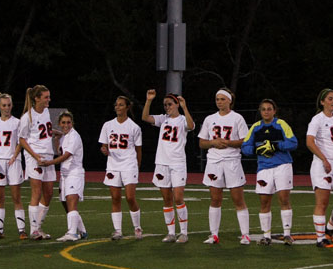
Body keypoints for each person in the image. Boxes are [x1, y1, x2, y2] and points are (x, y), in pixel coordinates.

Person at [241, 99, 298, 245]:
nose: (266, 111)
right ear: (260, 111)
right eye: (263, 109)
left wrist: (275, 146)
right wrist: (257, 149)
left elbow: (293, 142)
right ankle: (266, 236)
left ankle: (287, 234)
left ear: (274, 110)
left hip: (282, 166)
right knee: (264, 202)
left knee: (284, 199)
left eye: (269, 109)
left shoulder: (281, 124)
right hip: (264, 168)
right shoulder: (255, 127)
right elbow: (245, 147)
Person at [198, 88, 250, 245]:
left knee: (238, 198)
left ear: (229, 100)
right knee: (215, 198)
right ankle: (214, 235)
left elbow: (244, 140)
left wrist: (227, 143)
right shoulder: (209, 119)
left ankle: (245, 235)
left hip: (232, 161)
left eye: (222, 99)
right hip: (214, 162)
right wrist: (213, 142)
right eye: (217, 99)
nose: (219, 102)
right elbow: (202, 142)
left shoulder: (237, 118)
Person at [142, 89, 195, 243]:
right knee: (166, 199)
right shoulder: (162, 119)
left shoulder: (183, 119)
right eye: (165, 105)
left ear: (176, 104)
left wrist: (185, 107)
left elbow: (191, 126)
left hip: (178, 163)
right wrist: (149, 100)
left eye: (170, 104)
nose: (167, 107)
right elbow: (145, 117)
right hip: (162, 163)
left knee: (178, 197)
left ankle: (184, 232)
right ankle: (171, 232)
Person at [306, 88, 333, 248]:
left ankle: (330, 229)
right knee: (322, 202)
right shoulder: (317, 119)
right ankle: (320, 239)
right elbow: (309, 142)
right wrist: (324, 159)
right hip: (321, 164)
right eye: (330, 99)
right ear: (322, 101)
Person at [99, 96, 144, 241]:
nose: (117, 107)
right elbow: (104, 145)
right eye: (116, 105)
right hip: (113, 165)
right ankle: (117, 230)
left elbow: (138, 150)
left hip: (129, 164)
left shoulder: (134, 127)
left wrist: (137, 166)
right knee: (115, 197)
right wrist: (104, 149)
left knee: (130, 197)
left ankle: (137, 227)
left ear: (127, 107)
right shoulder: (107, 125)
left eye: (120, 105)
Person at [0, 92, 26, 240]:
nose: (7, 108)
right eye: (4, 105)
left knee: (16, 197)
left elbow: (20, 142)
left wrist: (15, 156)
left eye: (9, 105)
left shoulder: (17, 122)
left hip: (13, 162)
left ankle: (22, 230)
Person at [39, 111, 86, 242]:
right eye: (63, 123)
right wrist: (56, 137)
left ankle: (72, 233)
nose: (66, 125)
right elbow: (60, 150)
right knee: (66, 203)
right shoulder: (65, 137)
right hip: (65, 174)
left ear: (72, 123)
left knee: (71, 202)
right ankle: (82, 230)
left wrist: (49, 163)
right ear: (59, 124)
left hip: (74, 173)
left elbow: (65, 156)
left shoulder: (74, 136)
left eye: (68, 122)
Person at [18, 85, 55, 240]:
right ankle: (34, 229)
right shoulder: (27, 117)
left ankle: (38, 227)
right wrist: (35, 155)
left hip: (48, 156)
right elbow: (21, 139)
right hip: (35, 158)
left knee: (49, 193)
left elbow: (45, 131)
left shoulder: (46, 112)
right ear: (37, 98)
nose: (49, 100)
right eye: (46, 97)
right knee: (37, 192)